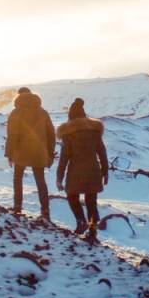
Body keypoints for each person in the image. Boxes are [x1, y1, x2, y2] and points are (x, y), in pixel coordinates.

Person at [56, 98, 109, 241]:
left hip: (75, 172)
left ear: (70, 117)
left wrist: (59, 177)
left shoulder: (68, 134)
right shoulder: (95, 131)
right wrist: (105, 171)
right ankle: (92, 230)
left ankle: (80, 221)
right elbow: (102, 153)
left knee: (72, 196)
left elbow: (64, 158)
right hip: (93, 171)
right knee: (91, 200)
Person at [5, 86, 56, 220]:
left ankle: (17, 206)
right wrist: (50, 153)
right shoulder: (43, 112)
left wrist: (9, 154)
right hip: (39, 152)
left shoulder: (16, 112)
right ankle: (45, 211)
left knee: (18, 178)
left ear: (19, 96)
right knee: (40, 181)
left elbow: (12, 134)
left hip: (21, 151)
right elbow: (51, 134)